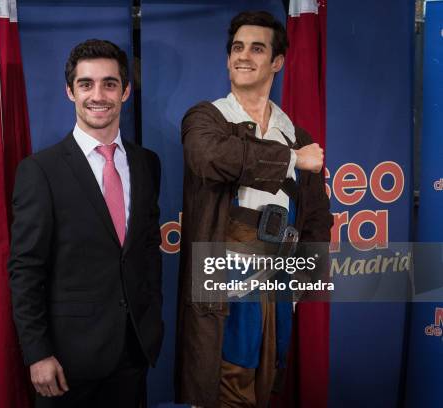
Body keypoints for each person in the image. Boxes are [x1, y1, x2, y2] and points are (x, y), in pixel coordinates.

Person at [174, 11, 333, 408]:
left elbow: (316, 221)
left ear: (277, 62)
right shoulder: (208, 118)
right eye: (237, 48)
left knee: (266, 386)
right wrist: (293, 160)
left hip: (276, 278)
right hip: (225, 277)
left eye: (257, 48)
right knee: (227, 382)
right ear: (228, 59)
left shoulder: (295, 133)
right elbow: (210, 157)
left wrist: (297, 288)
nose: (243, 56)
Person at [8, 39, 163, 408]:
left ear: (125, 91)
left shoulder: (147, 163)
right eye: (86, 84)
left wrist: (152, 323)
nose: (99, 95)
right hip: (66, 362)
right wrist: (37, 353)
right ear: (69, 91)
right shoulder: (40, 170)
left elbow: (146, 251)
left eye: (110, 84)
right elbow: (25, 269)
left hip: (134, 353)